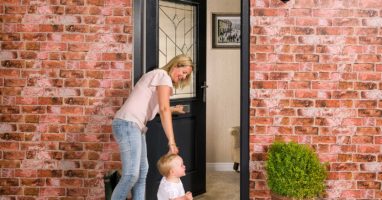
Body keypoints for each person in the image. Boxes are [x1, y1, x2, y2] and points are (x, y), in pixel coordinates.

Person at [111, 54, 194, 200]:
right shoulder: (163, 76)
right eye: (184, 72)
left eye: (186, 75)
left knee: (143, 172)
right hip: (128, 124)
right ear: (176, 65)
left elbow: (155, 106)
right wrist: (171, 141)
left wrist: (173, 109)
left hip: (136, 126)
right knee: (131, 174)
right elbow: (163, 109)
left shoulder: (158, 77)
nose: (183, 76)